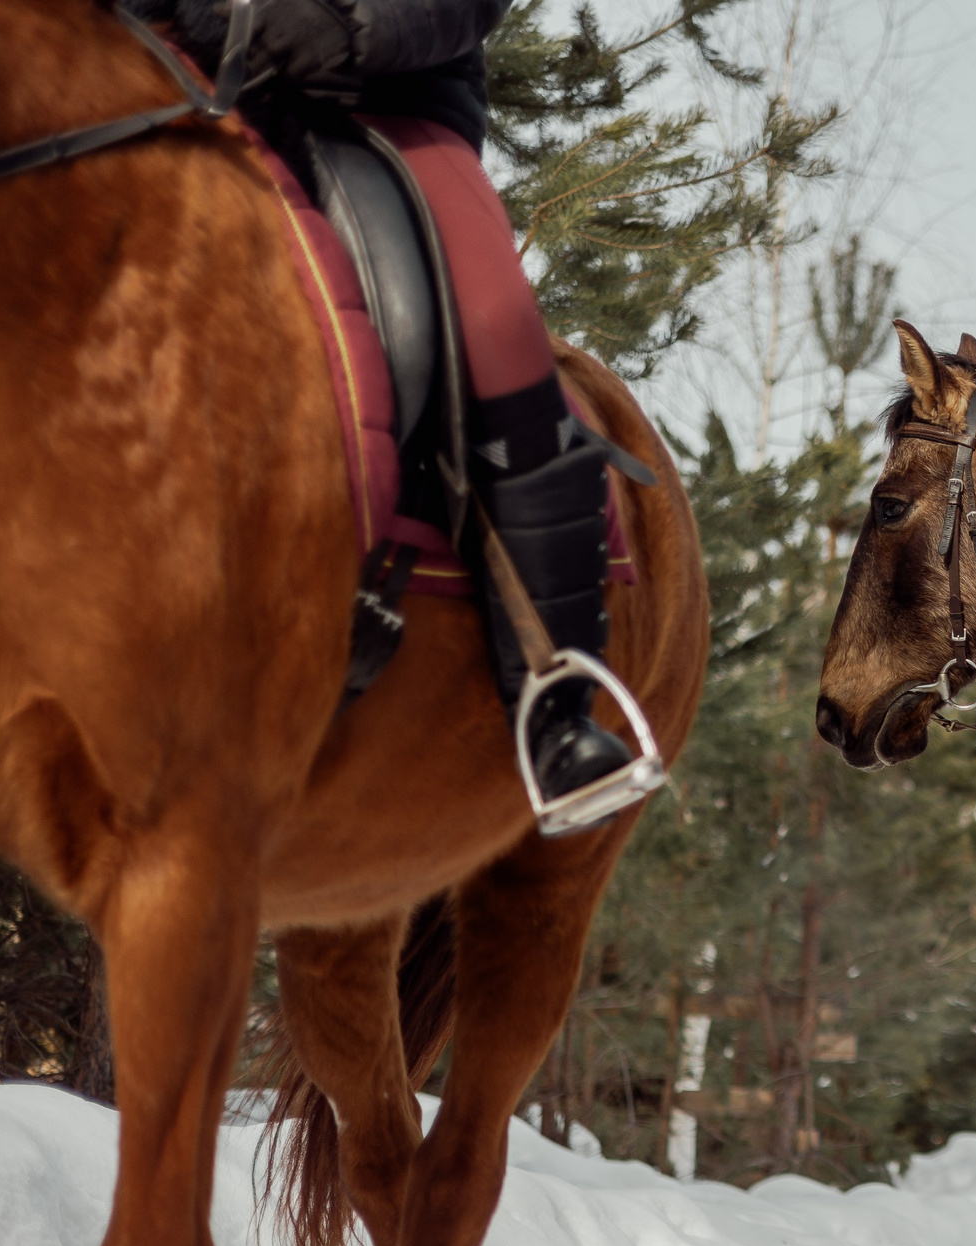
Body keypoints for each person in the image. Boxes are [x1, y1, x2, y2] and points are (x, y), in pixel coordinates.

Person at [169, 0, 643, 828]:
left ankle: (555, 701)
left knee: (495, 322)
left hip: (388, 104)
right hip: (182, 85)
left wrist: (354, 30)